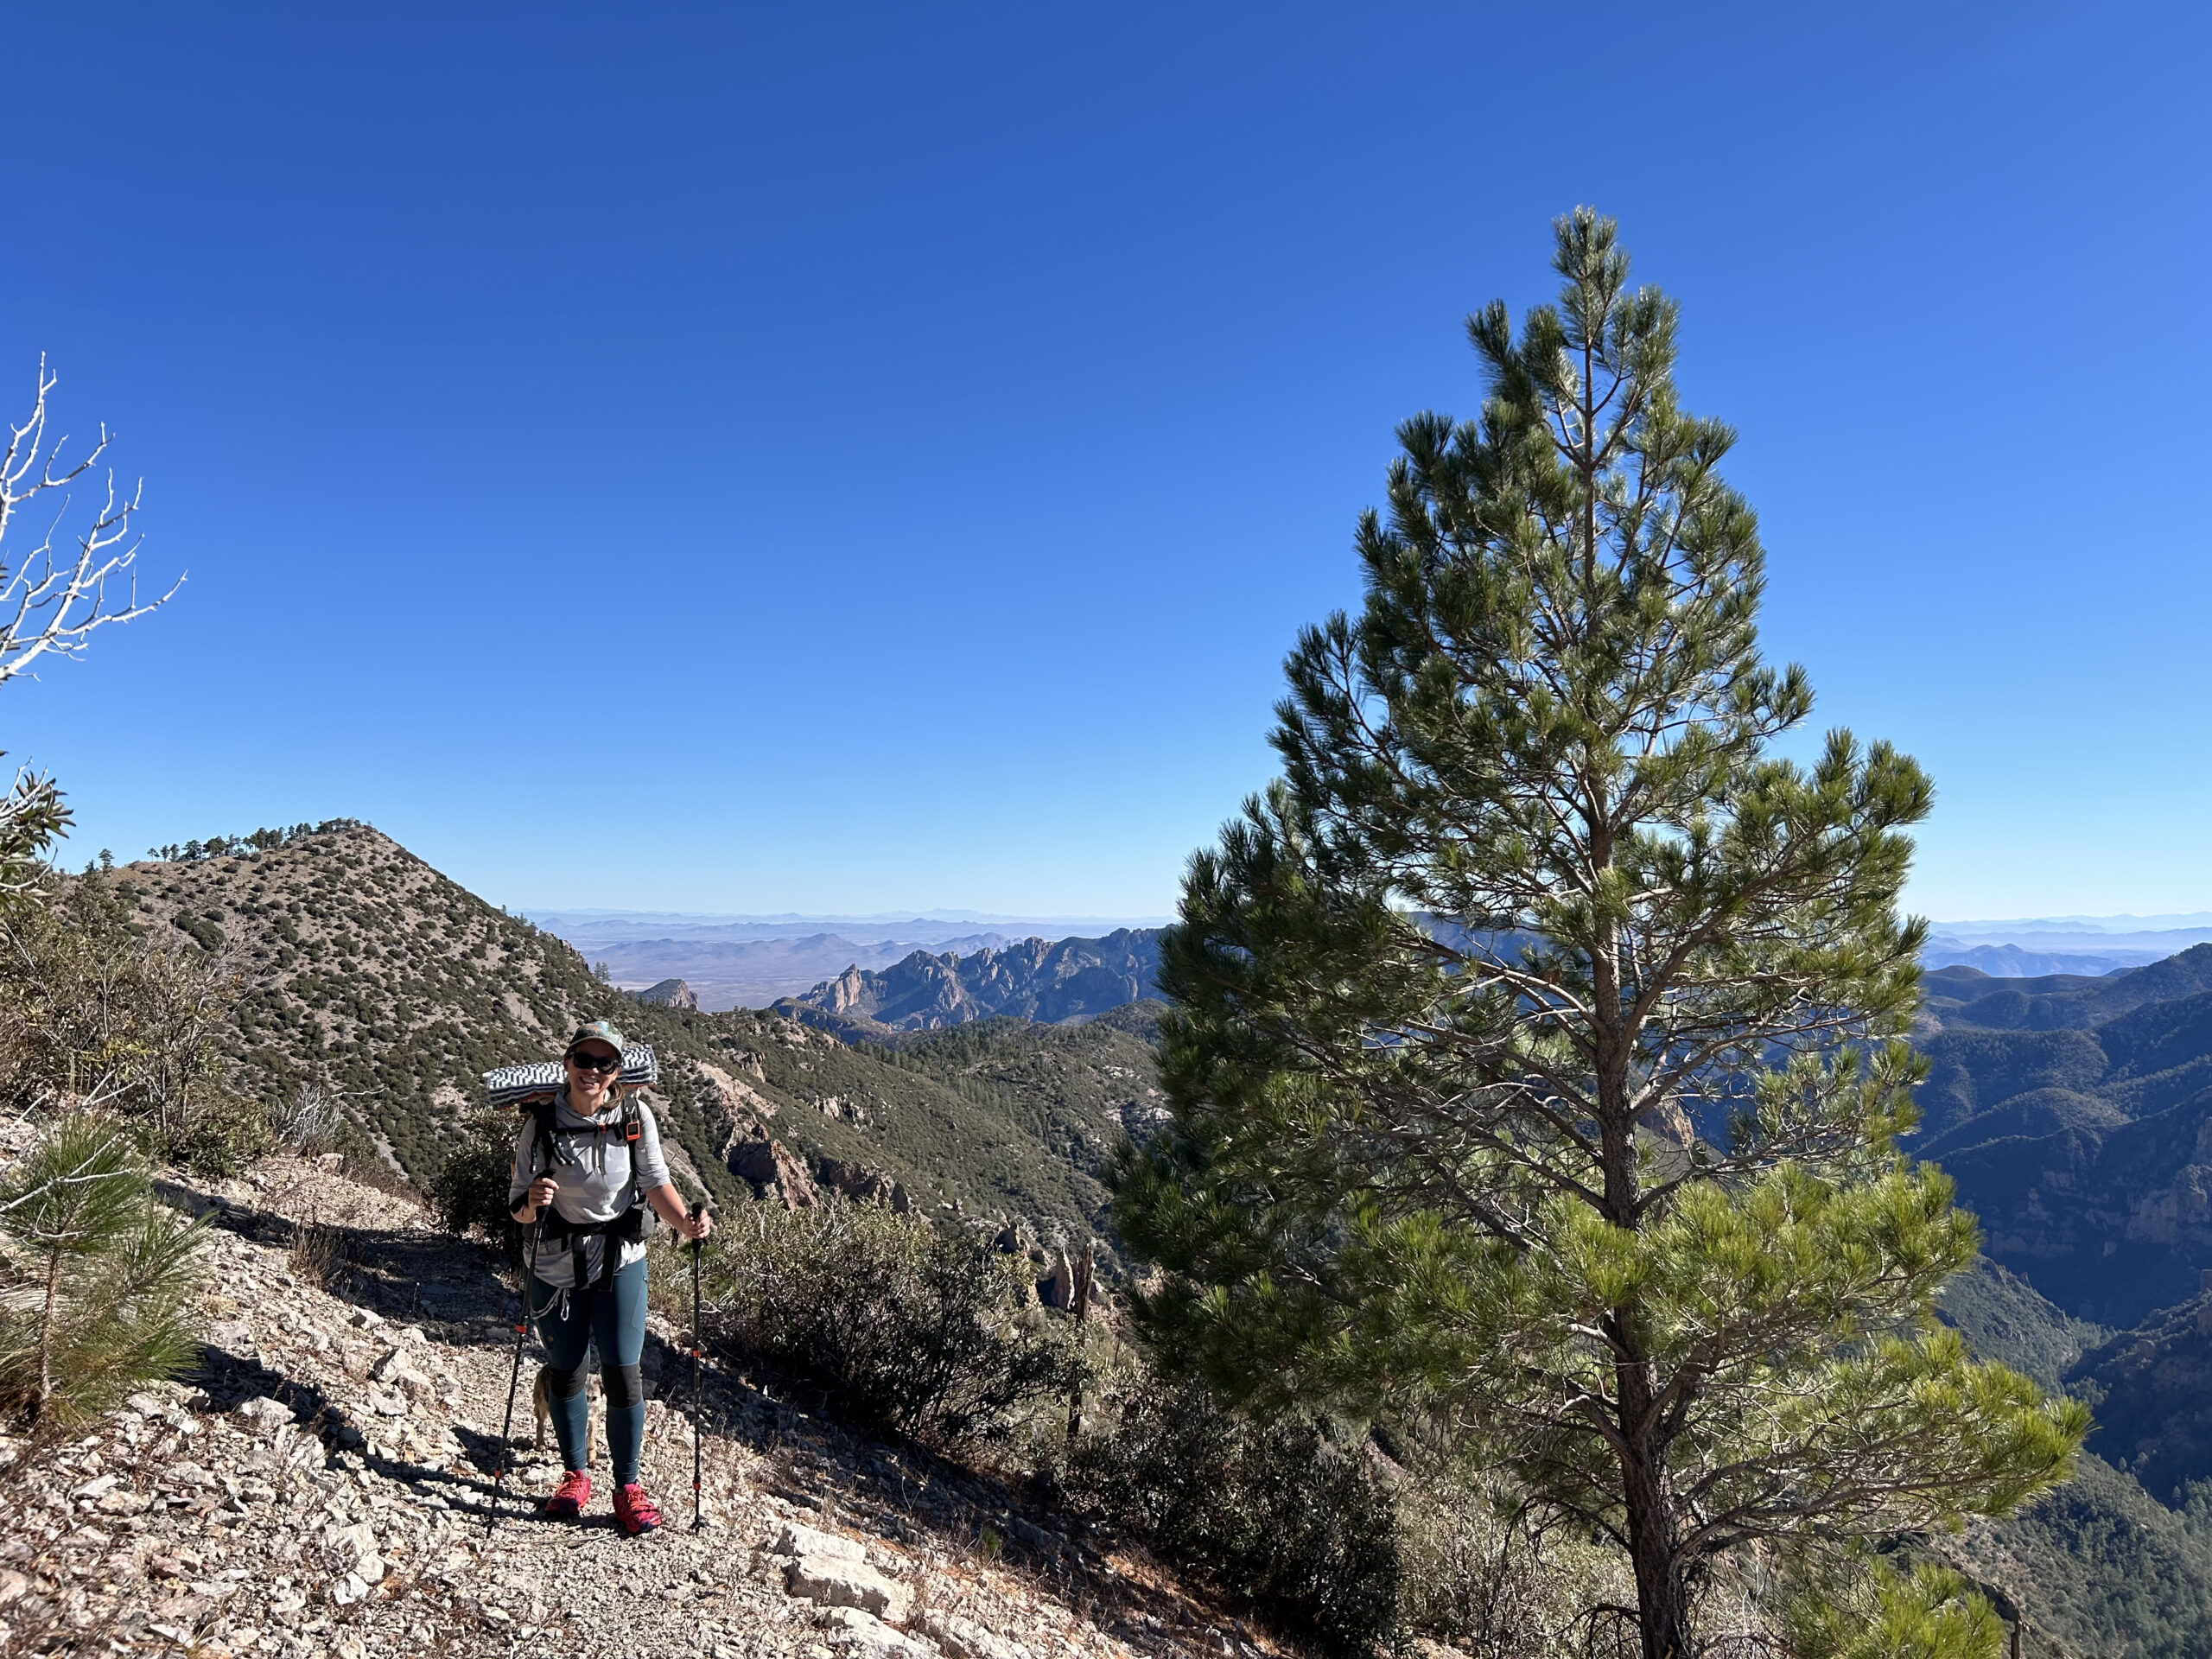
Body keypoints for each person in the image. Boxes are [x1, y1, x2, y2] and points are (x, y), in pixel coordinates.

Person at [508, 1019, 711, 1533]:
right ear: (567, 1064)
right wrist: (534, 1202)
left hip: (620, 1259)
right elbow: (517, 1208)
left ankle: (627, 1486)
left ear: (616, 1070)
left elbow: (656, 1182)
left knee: (623, 1372)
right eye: (584, 1060)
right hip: (554, 1264)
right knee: (566, 1370)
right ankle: (575, 1475)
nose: (592, 1071)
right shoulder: (541, 1124)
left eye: (604, 1063)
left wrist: (685, 1222)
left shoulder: (635, 1117)